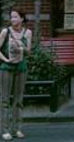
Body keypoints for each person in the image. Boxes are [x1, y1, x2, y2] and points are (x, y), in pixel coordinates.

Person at [0, 9, 32, 141]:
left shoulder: (27, 32)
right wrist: (5, 60)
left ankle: (17, 129)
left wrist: (21, 47)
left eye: (15, 17)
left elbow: (29, 52)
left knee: (18, 100)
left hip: (21, 68)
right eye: (11, 17)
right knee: (5, 99)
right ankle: (6, 130)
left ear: (22, 19)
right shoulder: (5, 32)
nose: (12, 19)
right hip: (7, 68)